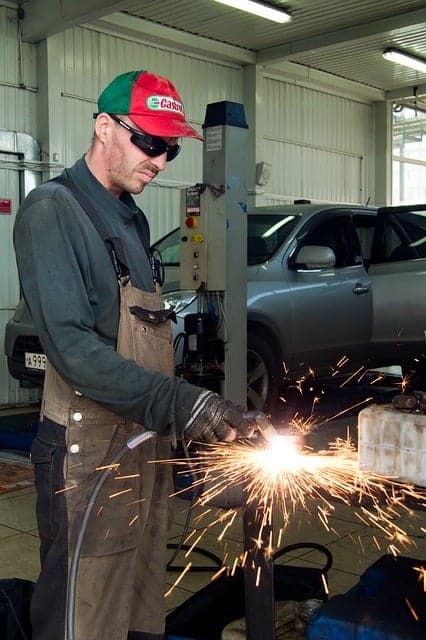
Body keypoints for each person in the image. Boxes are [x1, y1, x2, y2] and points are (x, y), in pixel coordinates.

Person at [13, 70, 264, 640]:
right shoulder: (53, 211)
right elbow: (73, 349)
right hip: (84, 453)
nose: (162, 160)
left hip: (142, 444)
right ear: (104, 128)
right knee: (85, 612)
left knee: (138, 595)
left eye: (171, 147)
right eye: (150, 142)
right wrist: (184, 404)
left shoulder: (131, 215)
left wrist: (193, 413)